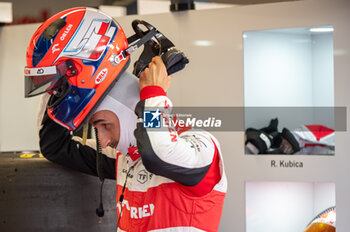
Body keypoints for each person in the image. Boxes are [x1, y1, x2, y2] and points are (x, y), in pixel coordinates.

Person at [27, 7, 227, 232]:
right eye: (96, 128)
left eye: (104, 125)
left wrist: (152, 93)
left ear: (130, 109)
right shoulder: (126, 157)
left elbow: (158, 154)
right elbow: (56, 147)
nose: (102, 141)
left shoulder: (202, 148)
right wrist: (59, 83)